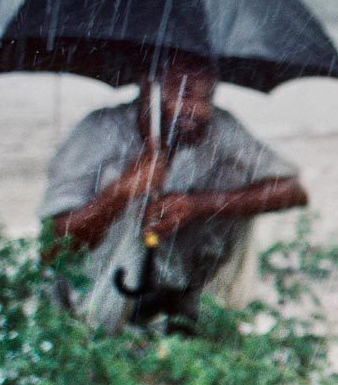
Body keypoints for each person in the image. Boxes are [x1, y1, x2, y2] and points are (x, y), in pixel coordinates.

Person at [39, 52, 309, 331]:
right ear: (148, 87)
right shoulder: (97, 131)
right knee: (120, 199)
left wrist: (197, 205)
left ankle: (213, 325)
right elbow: (52, 247)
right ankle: (100, 332)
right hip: (96, 293)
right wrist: (121, 192)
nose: (199, 111)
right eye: (184, 93)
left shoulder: (219, 128)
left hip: (176, 282)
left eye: (207, 97)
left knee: (241, 188)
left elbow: (293, 190)